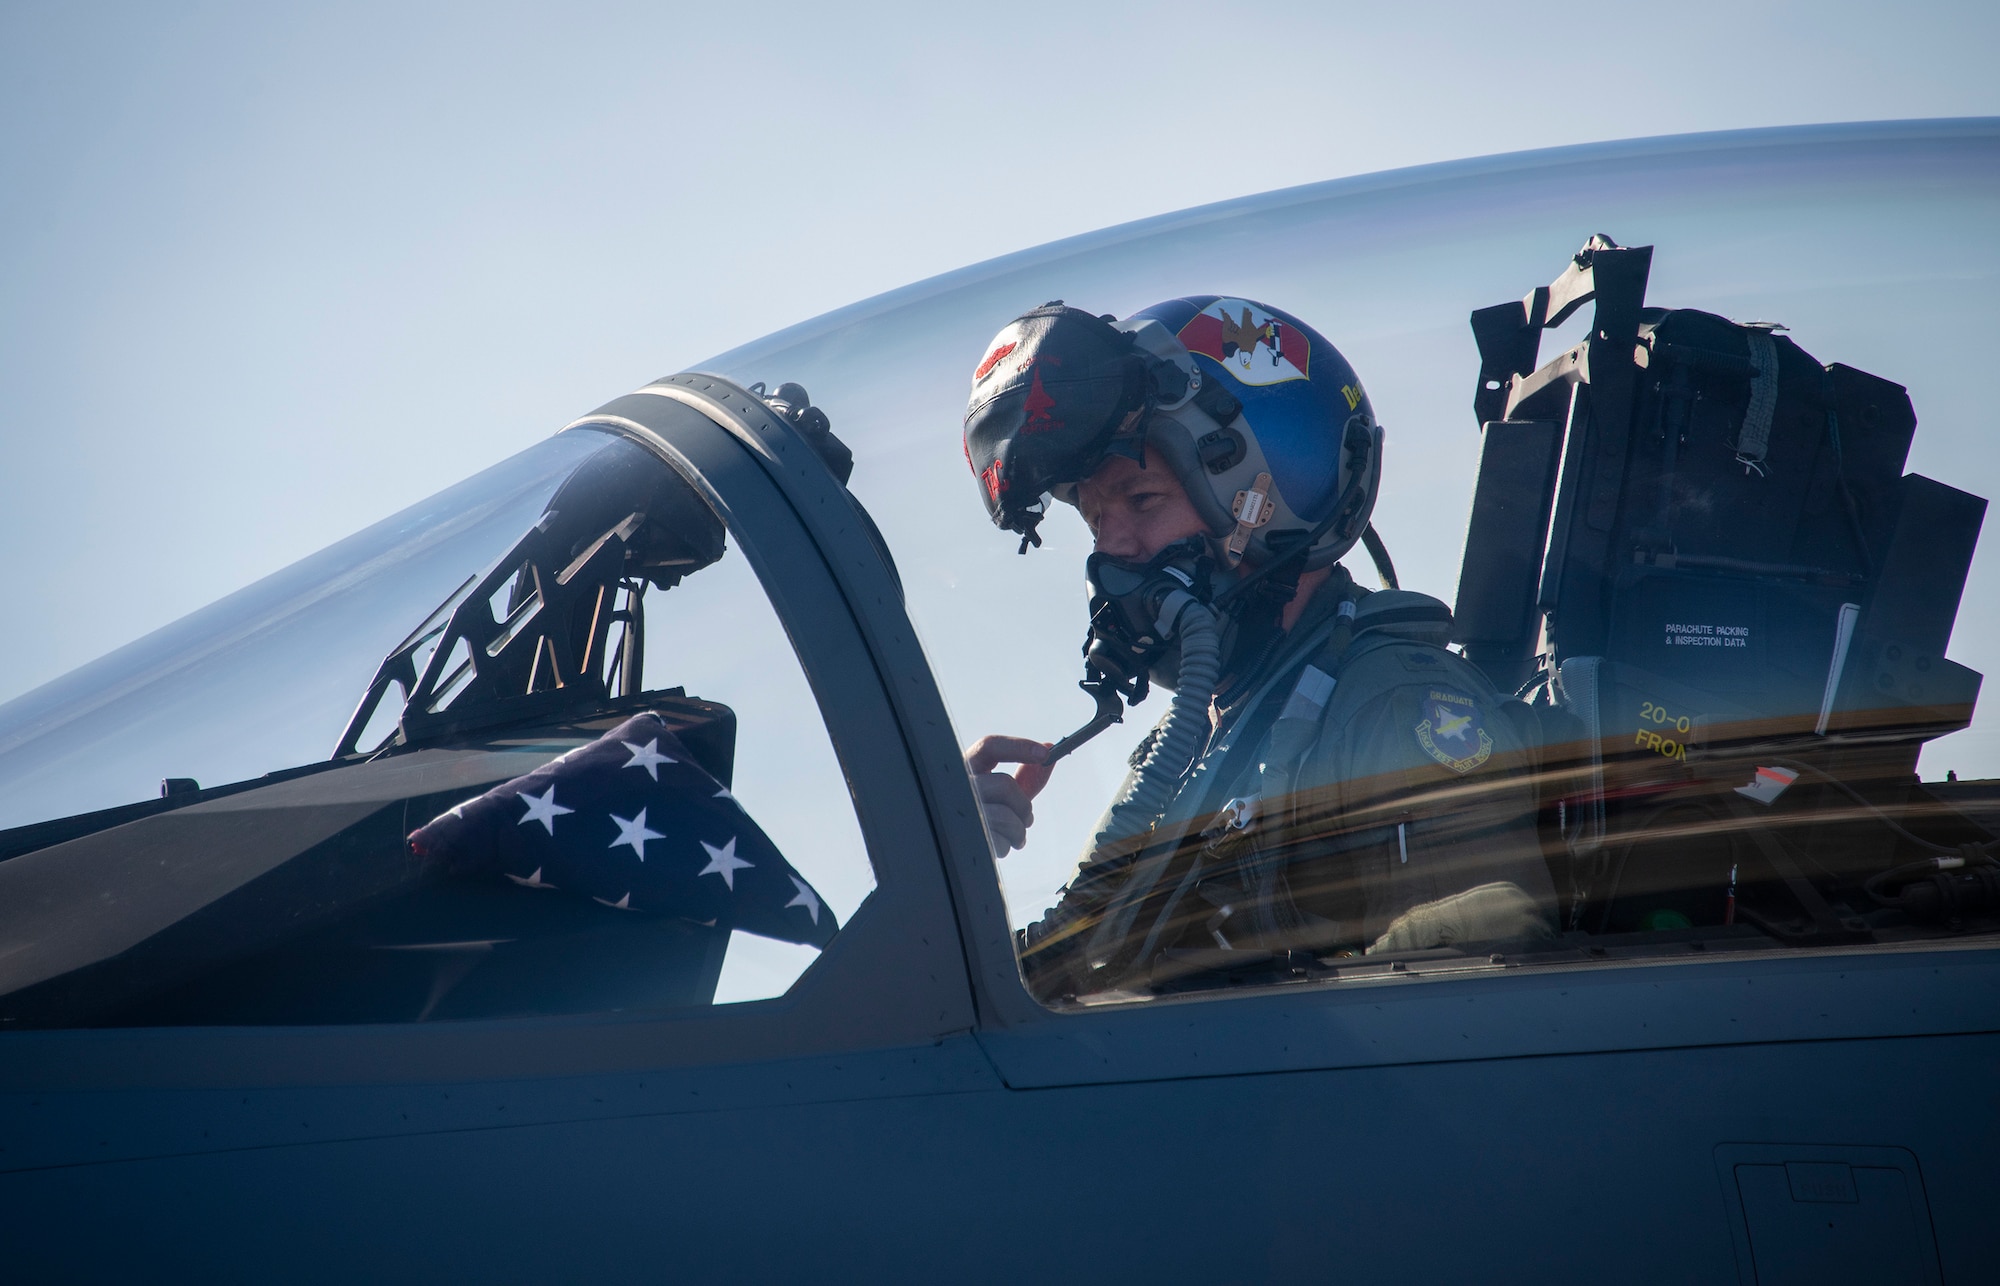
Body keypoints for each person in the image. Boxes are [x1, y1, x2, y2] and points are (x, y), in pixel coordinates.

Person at [961, 298, 1557, 999]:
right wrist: (958, 865)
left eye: (1142, 501)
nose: (1112, 550)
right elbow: (1075, 973)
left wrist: (1268, 1006)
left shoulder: (1391, 700)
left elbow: (1496, 945)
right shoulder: (1189, 747)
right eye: (1095, 521)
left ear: (1262, 499)